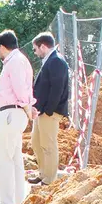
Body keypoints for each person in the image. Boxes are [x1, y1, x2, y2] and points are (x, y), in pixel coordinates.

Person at [0, 30, 34, 204]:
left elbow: (20, 89)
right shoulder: (20, 60)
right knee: (14, 159)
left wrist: (27, 107)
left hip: (10, 113)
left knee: (4, 160)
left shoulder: (14, 61)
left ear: (1, 47)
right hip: (15, 114)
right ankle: (16, 203)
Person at [29, 32, 70, 186]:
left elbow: (57, 89)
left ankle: (49, 180)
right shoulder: (50, 61)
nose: (35, 52)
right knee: (37, 142)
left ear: (43, 46)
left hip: (49, 112)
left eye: (35, 49)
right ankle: (43, 173)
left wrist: (48, 110)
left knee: (48, 145)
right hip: (42, 111)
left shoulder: (56, 61)